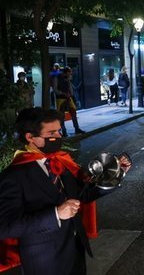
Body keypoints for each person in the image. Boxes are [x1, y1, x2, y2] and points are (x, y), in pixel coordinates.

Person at [0, 108, 115, 275]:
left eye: (59, 130)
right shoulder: (13, 176)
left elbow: (82, 195)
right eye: (52, 132)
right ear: (30, 137)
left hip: (75, 251)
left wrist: (113, 175)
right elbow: (5, 227)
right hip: (45, 260)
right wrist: (55, 215)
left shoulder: (61, 161)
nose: (59, 136)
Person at [54, 67, 85, 136]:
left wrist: (70, 94)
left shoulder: (67, 79)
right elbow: (55, 89)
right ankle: (64, 131)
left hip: (68, 97)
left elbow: (70, 87)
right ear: (66, 72)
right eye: (69, 73)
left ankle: (76, 128)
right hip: (60, 98)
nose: (70, 74)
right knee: (61, 115)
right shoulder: (57, 78)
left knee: (73, 111)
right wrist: (63, 93)